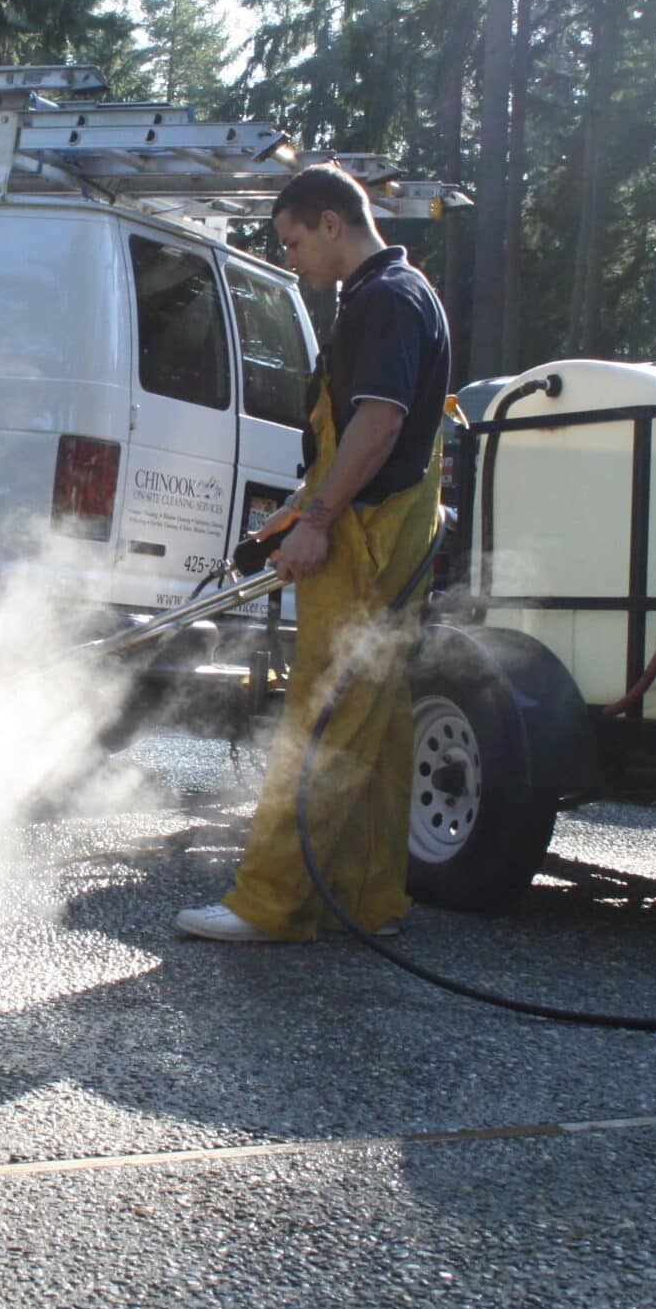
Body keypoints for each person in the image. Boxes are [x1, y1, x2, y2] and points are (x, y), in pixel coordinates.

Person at [175, 164, 453, 943]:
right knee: (374, 721)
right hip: (380, 536)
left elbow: (379, 426)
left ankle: (268, 903)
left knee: (324, 715)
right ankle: (367, 900)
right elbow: (354, 439)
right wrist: (296, 513)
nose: (292, 259)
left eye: (294, 242)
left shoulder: (388, 302)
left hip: (366, 542)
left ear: (332, 222)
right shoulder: (395, 295)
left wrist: (320, 519)